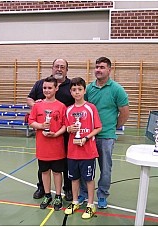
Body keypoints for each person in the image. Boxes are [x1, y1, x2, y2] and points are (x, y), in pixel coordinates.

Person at [79, 57, 129, 209]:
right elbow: (82, 107)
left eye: (102, 67)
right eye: (96, 67)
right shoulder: (88, 89)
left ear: (109, 70)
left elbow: (125, 113)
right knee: (85, 166)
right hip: (88, 135)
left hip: (106, 136)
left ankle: (102, 195)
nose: (98, 70)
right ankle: (83, 193)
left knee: (105, 167)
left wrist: (112, 127)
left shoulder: (117, 89)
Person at [27, 59, 74, 201]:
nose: (59, 69)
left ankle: (67, 189)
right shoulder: (40, 83)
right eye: (56, 66)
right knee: (44, 165)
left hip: (64, 132)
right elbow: (29, 99)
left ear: (67, 69)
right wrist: (37, 105)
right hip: (44, 135)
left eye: (62, 67)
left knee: (64, 163)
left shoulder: (71, 85)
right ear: (52, 68)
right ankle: (42, 188)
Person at [64, 77, 102, 219]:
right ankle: (75, 201)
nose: (77, 92)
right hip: (73, 152)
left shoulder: (91, 108)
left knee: (89, 179)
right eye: (74, 90)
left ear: (84, 90)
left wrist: (86, 138)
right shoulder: (68, 110)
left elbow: (98, 127)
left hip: (88, 152)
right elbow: (66, 127)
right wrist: (69, 128)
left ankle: (90, 204)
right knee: (74, 179)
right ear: (70, 92)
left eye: (79, 89)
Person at [28, 76, 67, 210]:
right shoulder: (37, 105)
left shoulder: (61, 107)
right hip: (42, 147)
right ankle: (47, 194)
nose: (47, 90)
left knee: (57, 172)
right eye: (45, 88)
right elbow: (31, 121)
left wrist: (56, 134)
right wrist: (40, 125)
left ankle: (57, 196)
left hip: (57, 147)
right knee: (44, 172)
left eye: (50, 87)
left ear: (56, 88)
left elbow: (65, 125)